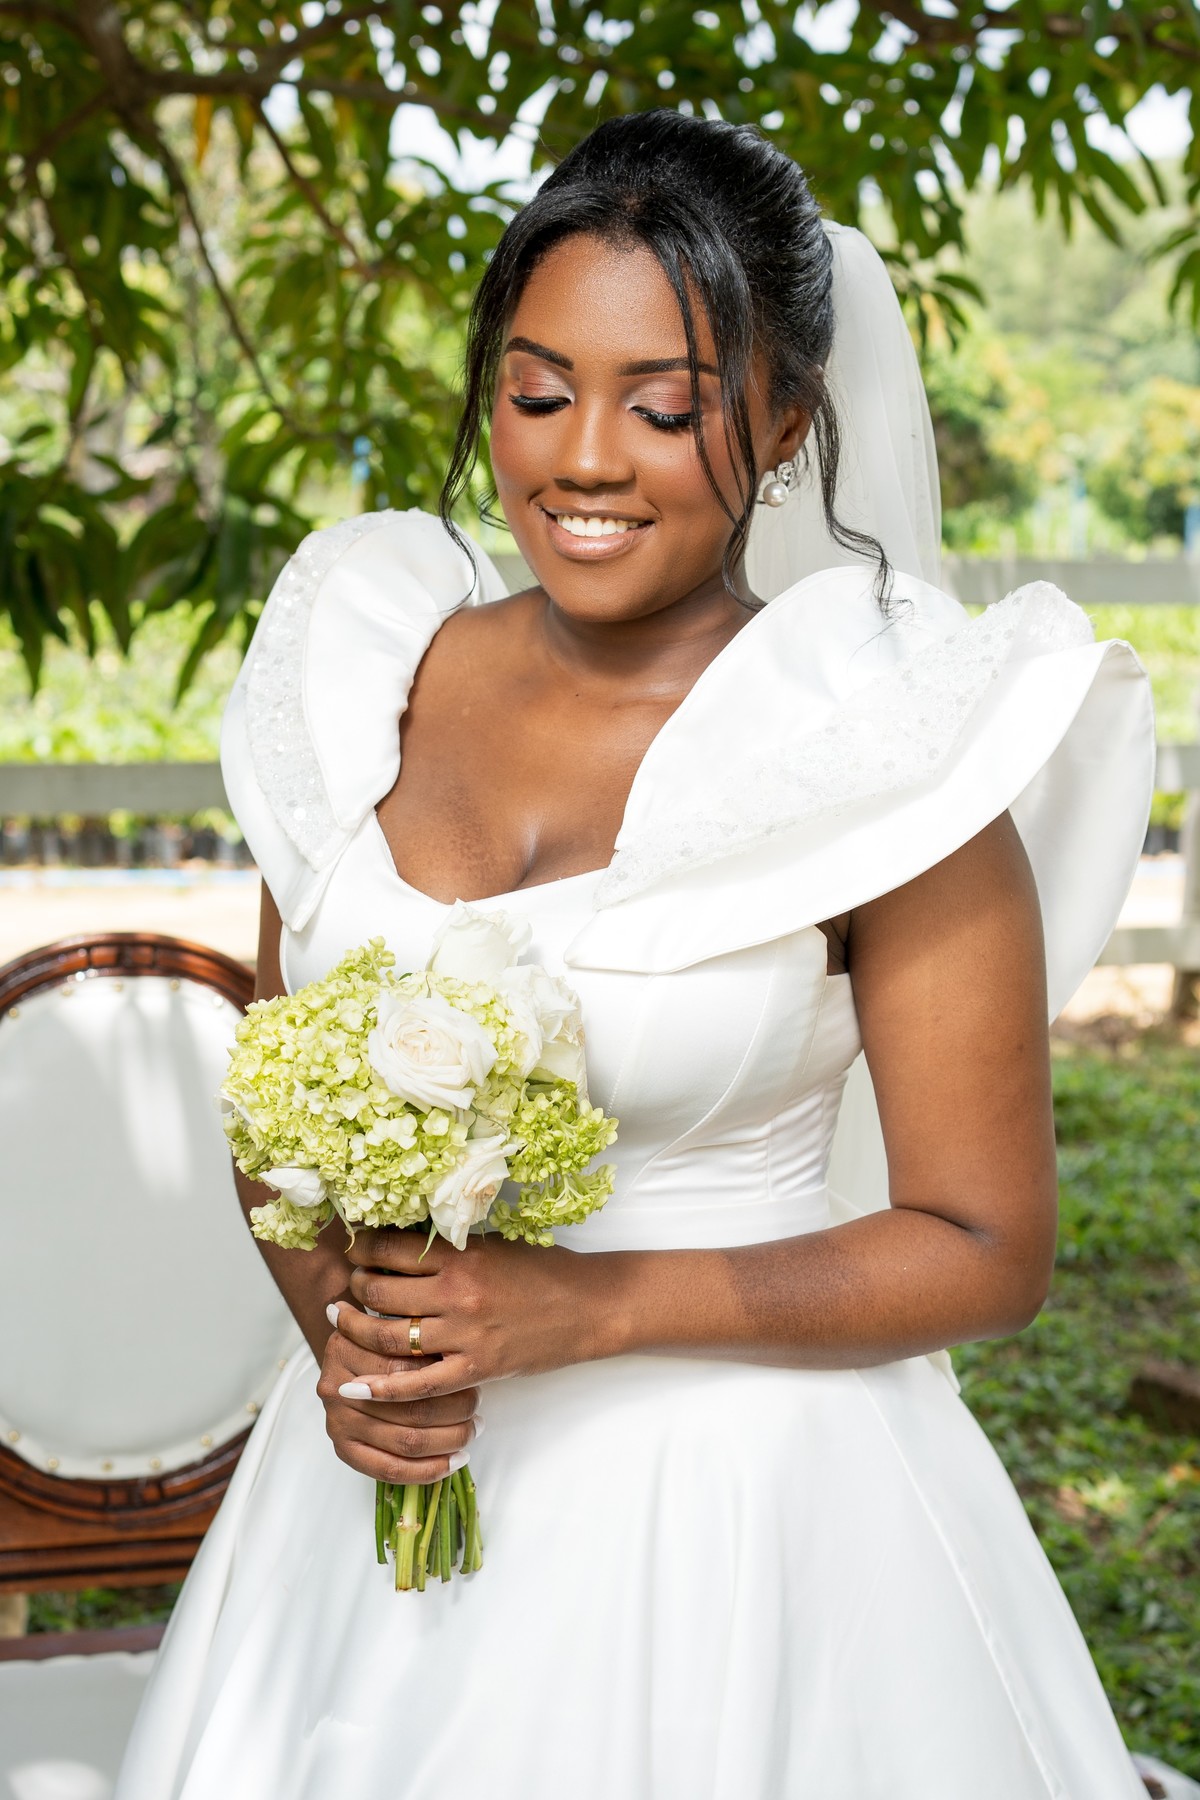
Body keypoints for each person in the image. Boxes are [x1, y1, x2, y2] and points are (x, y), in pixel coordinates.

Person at [116, 111, 1157, 1799]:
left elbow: (986, 1245)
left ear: (788, 421)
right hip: (371, 1523)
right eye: (538, 395)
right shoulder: (357, 681)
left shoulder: (885, 758)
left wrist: (586, 1307)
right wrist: (354, 1350)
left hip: (745, 1519)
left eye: (664, 408)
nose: (585, 460)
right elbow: (277, 1109)